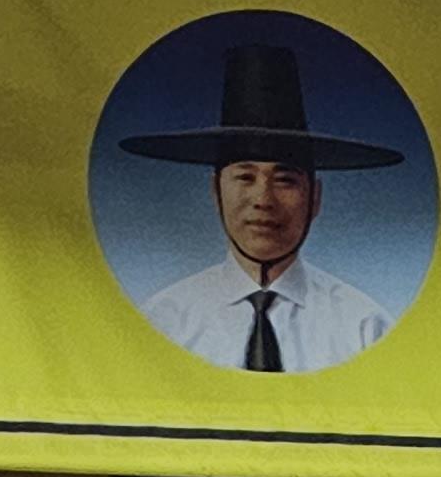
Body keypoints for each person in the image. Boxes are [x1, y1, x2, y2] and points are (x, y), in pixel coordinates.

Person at [118, 39, 408, 372]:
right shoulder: (165, 322)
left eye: (285, 180)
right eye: (245, 177)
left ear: (315, 198)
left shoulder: (365, 328)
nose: (263, 200)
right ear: (215, 191)